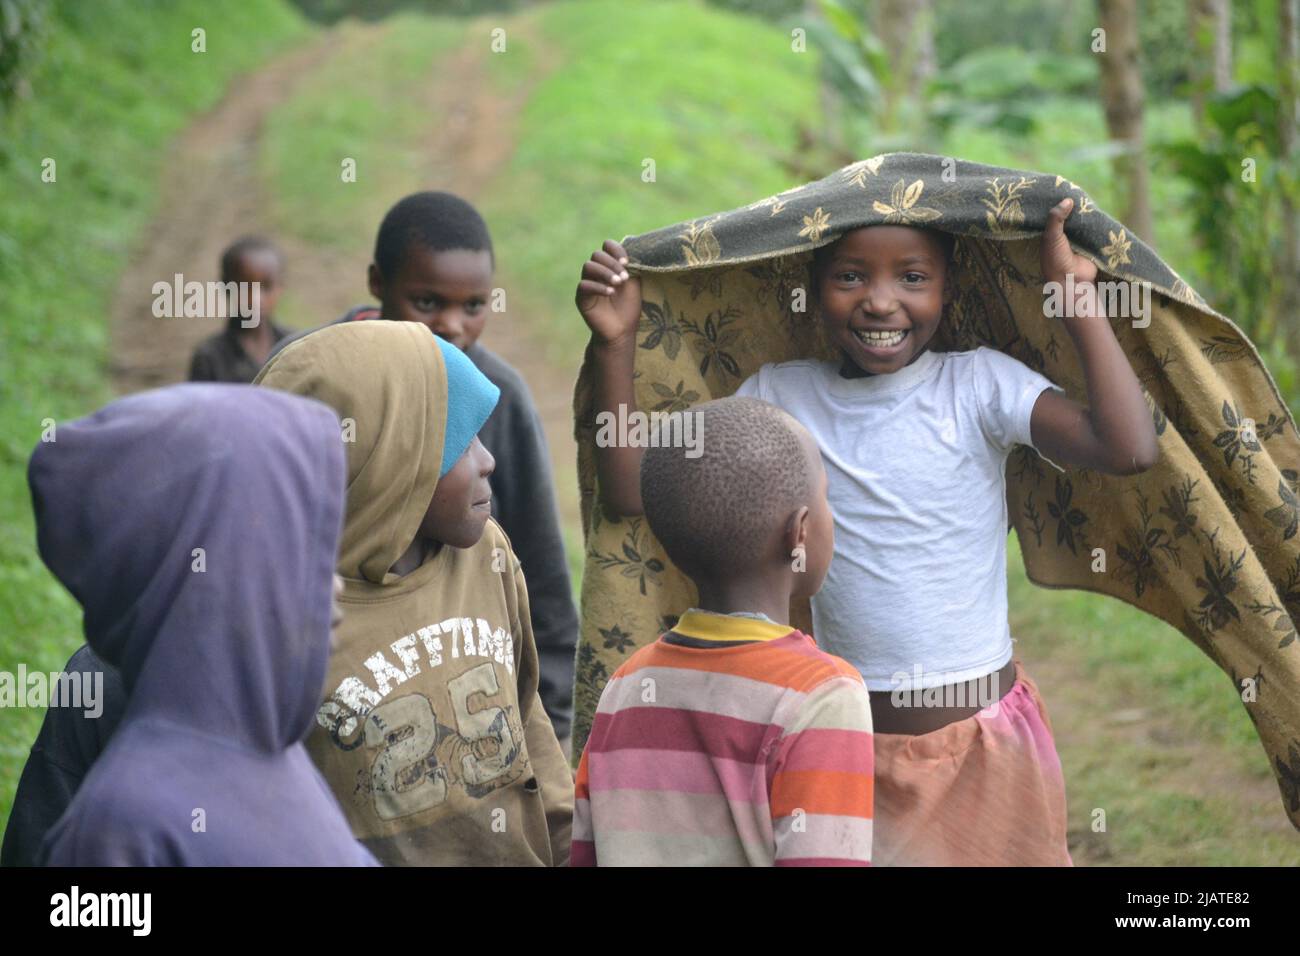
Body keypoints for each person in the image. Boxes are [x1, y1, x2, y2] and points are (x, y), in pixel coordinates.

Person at [576, 197, 1159, 865]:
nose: (881, 303)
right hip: (842, 753)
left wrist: (1075, 301)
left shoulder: (979, 386)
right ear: (811, 288)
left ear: (950, 286)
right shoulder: (781, 396)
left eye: (912, 277)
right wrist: (615, 342)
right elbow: (633, 490)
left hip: (985, 746)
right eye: (850, 276)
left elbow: (1128, 448)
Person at [256, 321, 573, 865]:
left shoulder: (484, 555)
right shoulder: (285, 620)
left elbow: (527, 720)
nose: (487, 460)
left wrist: (570, 842)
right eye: (460, 443)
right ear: (385, 466)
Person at [277, 193, 579, 746]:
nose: (452, 326)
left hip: (462, 696)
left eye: (474, 306)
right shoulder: (316, 378)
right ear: (377, 281)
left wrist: (552, 735)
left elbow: (544, 579)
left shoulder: (501, 396)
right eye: (426, 301)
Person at [30, 383, 376, 866]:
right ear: (221, 578)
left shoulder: (276, 760)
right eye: (301, 556)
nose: (336, 586)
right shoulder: (122, 831)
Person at [572, 396, 874, 866]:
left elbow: (587, 853)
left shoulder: (627, 686)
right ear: (800, 532)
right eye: (826, 497)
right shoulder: (824, 695)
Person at [188, 236, 291, 383]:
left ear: (280, 287)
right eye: (246, 287)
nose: (256, 299)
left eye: (266, 286)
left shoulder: (294, 346)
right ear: (226, 287)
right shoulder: (210, 358)